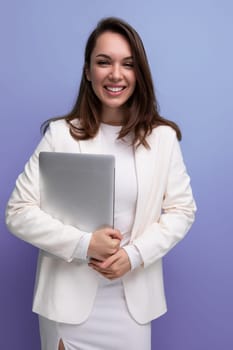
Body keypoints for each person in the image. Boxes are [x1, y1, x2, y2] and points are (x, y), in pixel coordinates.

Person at [5, 17, 196, 350]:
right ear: (87, 70)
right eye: (103, 62)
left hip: (131, 303)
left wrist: (134, 255)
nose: (115, 74)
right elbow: (18, 213)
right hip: (67, 305)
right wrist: (84, 245)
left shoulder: (162, 138)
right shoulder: (61, 134)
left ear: (140, 73)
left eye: (128, 64)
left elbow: (182, 210)